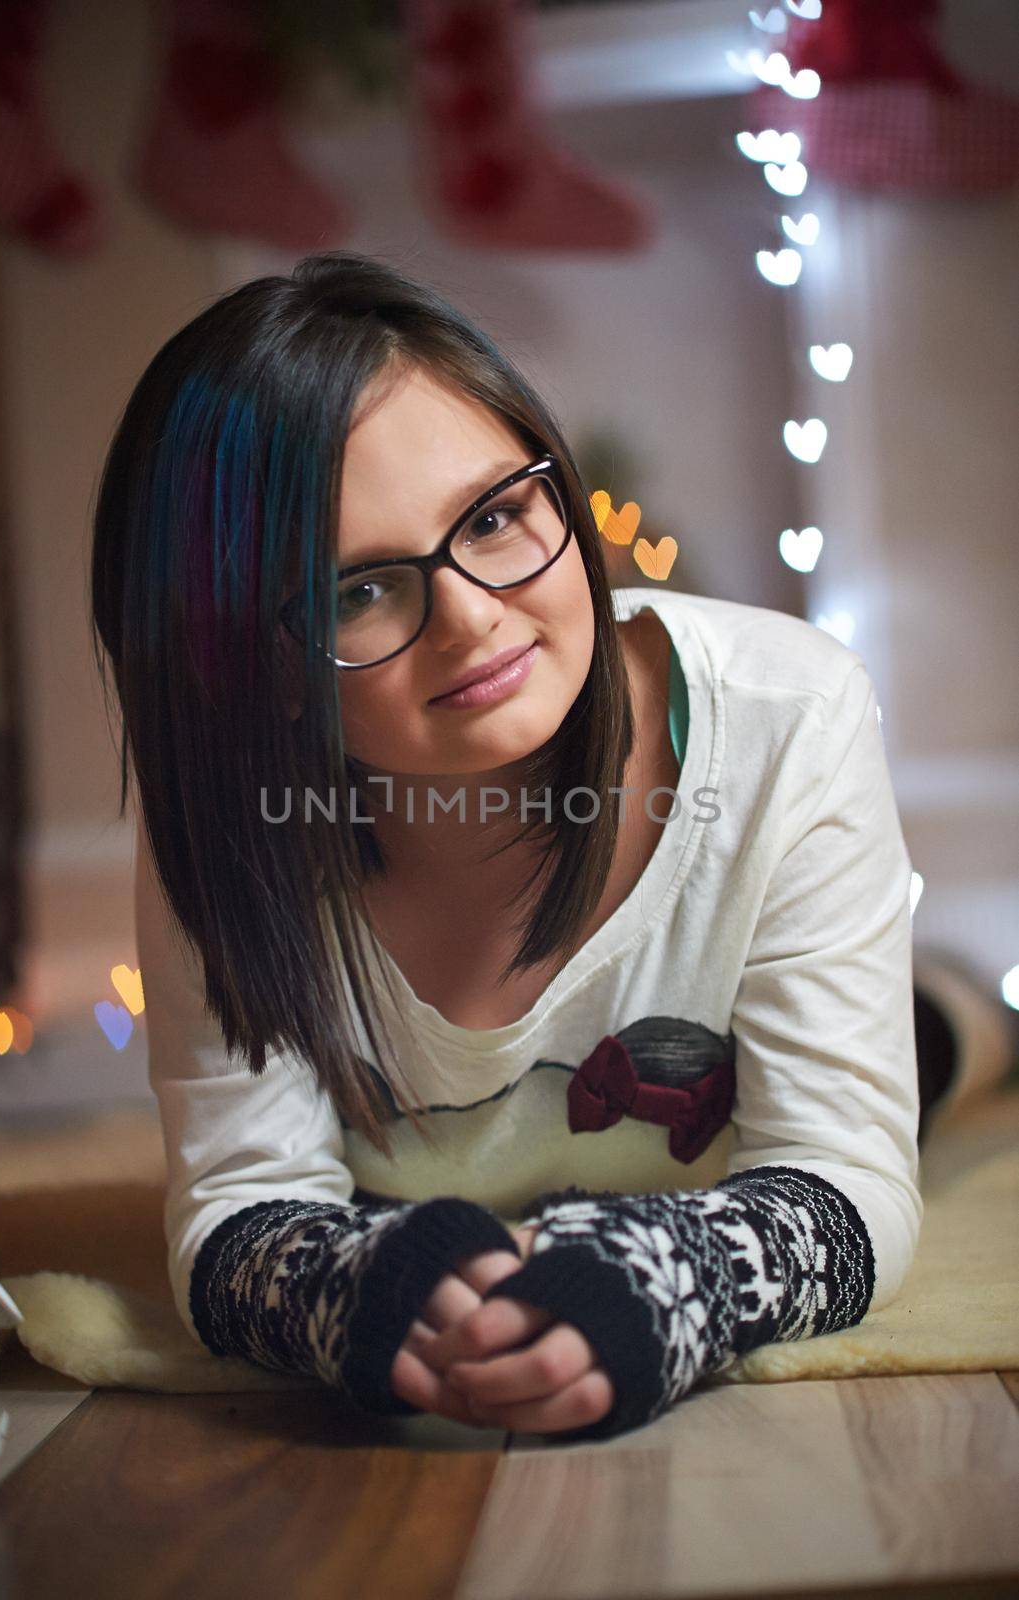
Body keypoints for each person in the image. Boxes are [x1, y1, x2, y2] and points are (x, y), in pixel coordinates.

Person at [91, 250, 922, 1444]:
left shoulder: (788, 714)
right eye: (357, 592)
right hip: (451, 1221)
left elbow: (843, 1176)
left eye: (493, 516)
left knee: (929, 1066)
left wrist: (663, 1275)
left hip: (733, 1144)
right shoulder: (231, 817)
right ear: (249, 669)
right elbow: (242, 1203)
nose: (475, 615)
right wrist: (369, 1291)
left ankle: (951, 1020)